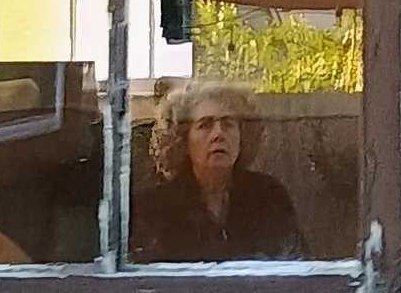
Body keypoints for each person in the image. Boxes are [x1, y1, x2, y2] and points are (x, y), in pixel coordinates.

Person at [131, 76, 305, 262]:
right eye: (205, 125)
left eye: (228, 124)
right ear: (182, 140)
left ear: (242, 136)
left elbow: (295, 264)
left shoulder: (268, 196)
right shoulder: (155, 208)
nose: (218, 134)